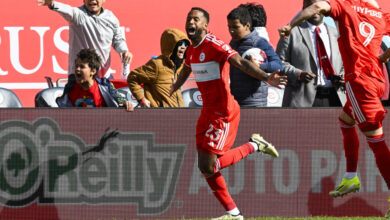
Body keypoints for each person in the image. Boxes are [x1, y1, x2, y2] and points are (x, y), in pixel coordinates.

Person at [170, 7, 287, 220]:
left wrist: (267, 78)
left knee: (210, 164)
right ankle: (233, 213)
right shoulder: (192, 50)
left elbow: (242, 63)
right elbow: (187, 67)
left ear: (205, 25)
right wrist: (175, 85)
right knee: (204, 167)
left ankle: (254, 145)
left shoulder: (214, 45)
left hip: (223, 113)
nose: (191, 22)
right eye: (189, 18)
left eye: (196, 19)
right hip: (207, 112)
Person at [279, 0, 390, 217]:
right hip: (376, 80)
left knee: (377, 142)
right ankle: (350, 177)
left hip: (359, 83)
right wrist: (383, 58)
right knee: (345, 121)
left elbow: (316, 7)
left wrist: (290, 26)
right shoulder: (380, 14)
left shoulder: (348, 6)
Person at [37, 0, 133, 79]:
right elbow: (68, 10)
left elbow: (118, 39)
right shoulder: (78, 15)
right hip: (79, 77)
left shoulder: (111, 17)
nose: (92, 0)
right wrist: (52, 4)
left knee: (117, 100)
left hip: (104, 76)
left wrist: (123, 50)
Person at [276, 0, 346, 107]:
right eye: (311, 6)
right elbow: (278, 63)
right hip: (301, 100)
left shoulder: (337, 33)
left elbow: (347, 62)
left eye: (318, 6)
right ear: (304, 8)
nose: (315, 10)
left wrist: (345, 75)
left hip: (336, 98)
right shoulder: (291, 32)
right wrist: (298, 74)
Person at [228, 7, 283, 107]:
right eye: (229, 27)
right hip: (235, 102)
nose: (231, 31)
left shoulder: (259, 42)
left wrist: (260, 66)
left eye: (235, 27)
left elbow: (278, 65)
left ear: (247, 25)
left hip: (255, 103)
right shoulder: (232, 43)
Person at [127, 29, 190, 107]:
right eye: (180, 43)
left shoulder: (180, 66)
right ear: (170, 46)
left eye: (186, 44)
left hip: (178, 115)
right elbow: (132, 78)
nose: (183, 47)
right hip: (160, 116)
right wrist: (141, 100)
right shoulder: (157, 65)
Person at [56, 48, 134, 111]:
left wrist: (125, 103)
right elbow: (62, 108)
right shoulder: (70, 87)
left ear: (93, 71)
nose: (77, 69)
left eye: (82, 67)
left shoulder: (105, 85)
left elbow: (119, 98)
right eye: (76, 66)